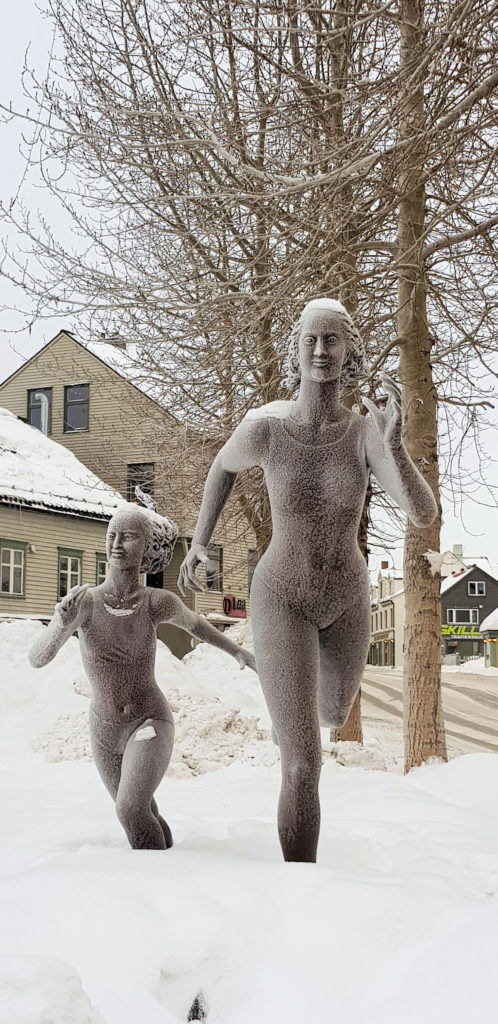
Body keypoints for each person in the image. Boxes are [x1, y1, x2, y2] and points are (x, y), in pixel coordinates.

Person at [178, 297, 437, 863]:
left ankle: (293, 712)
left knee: (335, 711)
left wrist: (394, 445)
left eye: (332, 339)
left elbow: (423, 514)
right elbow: (222, 466)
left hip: (347, 597)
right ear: (296, 350)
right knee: (303, 761)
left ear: (349, 350)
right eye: (310, 339)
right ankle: (301, 885)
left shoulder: (366, 432)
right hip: (283, 596)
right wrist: (199, 542)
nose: (321, 350)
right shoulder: (267, 430)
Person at [29, 500, 256, 850]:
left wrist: (238, 651)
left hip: (149, 721)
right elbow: (37, 658)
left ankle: (154, 881)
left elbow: (198, 627)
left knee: (130, 809)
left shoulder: (155, 602)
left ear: (146, 546)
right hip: (104, 730)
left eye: (129, 536)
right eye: (112, 535)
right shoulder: (85, 604)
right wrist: (60, 622)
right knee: (140, 810)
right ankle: (168, 866)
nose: (117, 544)